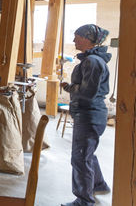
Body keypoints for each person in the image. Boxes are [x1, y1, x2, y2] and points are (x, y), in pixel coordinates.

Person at [60, 24, 111, 206]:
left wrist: (69, 87)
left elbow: (87, 93)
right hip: (92, 115)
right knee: (87, 153)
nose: (74, 40)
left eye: (77, 36)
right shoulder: (93, 60)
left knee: (80, 157)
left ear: (88, 39)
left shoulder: (92, 62)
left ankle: (84, 201)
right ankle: (98, 184)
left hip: (89, 115)